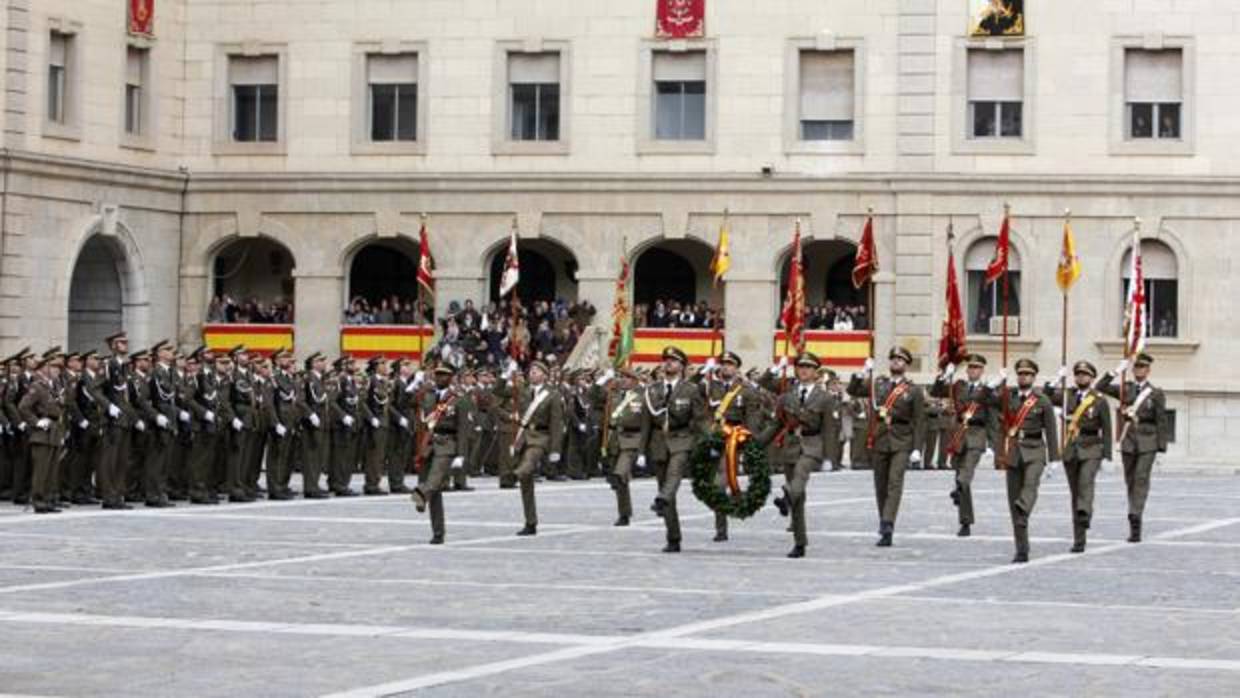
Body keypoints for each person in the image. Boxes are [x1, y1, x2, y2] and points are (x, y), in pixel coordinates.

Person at [847, 346, 926, 547]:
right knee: (880, 486)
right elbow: (852, 390)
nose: (896, 362)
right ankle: (885, 526)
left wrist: (917, 448)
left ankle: (888, 522)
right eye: (893, 359)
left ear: (906, 365)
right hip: (880, 438)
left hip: (902, 439)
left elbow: (919, 421)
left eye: (900, 360)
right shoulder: (877, 384)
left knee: (894, 482)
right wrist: (862, 372)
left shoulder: (913, 390)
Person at [1096, 352, 1168, 543]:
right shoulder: (1125, 389)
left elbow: (1161, 420)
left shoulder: (1155, 393)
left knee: (1141, 479)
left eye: (1142, 368)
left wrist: (1161, 447)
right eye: (1136, 367)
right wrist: (1115, 370)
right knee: (1130, 481)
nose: (1139, 371)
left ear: (1148, 370)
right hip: (1128, 440)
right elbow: (1099, 387)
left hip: (1148, 441)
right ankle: (1134, 513)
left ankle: (1135, 516)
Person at [994, 358, 1060, 563]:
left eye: (1028, 374)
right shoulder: (1008, 398)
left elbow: (1050, 429)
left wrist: (1054, 458)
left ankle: (1025, 506)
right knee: (1013, 502)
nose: (1024, 377)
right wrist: (997, 381)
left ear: (1033, 377)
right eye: (1021, 374)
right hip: (1014, 452)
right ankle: (1021, 548)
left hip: (1035, 451)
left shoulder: (1042, 401)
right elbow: (983, 399)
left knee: (1031, 485)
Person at [772, 352, 836, 558]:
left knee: (800, 474)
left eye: (808, 368)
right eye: (800, 367)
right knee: (798, 500)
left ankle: (786, 497)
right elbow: (776, 425)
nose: (804, 371)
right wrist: (754, 443)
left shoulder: (824, 398)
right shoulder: (786, 396)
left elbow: (829, 429)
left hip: (812, 445)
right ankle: (799, 542)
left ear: (816, 372)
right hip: (791, 445)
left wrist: (829, 457)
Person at [1044, 360, 1112, 552]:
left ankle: (1085, 512)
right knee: (1075, 495)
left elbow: (1107, 429)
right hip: (1071, 449)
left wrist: (1107, 456)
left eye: (1085, 375)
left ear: (1091, 378)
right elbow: (1044, 397)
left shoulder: (1099, 400)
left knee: (1085, 483)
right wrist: (1056, 379)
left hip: (1091, 448)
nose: (1081, 377)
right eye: (1078, 374)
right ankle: (1079, 539)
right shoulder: (1067, 396)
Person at [700, 351, 765, 544]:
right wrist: (703, 371)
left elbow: (752, 419)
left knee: (720, 484)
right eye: (723, 364)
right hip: (715, 438)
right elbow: (691, 392)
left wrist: (749, 445)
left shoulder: (746, 390)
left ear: (736, 368)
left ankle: (723, 525)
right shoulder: (711, 387)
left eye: (730, 364)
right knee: (717, 485)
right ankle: (723, 524)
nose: (726, 367)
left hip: (734, 440)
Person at [645, 347, 705, 553]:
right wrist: (641, 451)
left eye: (673, 360)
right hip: (659, 442)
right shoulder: (652, 389)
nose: (668, 363)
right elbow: (647, 422)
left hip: (682, 439)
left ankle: (662, 499)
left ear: (682, 366)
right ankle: (673, 537)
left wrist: (708, 443)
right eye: (666, 360)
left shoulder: (691, 389)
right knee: (665, 488)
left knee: (674, 473)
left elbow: (700, 419)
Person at [932, 353, 999, 537]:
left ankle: (959, 488)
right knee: (961, 479)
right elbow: (936, 392)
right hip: (959, 434)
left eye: (976, 368)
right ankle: (965, 521)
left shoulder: (989, 390)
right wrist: (944, 375)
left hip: (977, 435)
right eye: (970, 367)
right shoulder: (959, 386)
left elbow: (994, 416)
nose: (972, 371)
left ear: (982, 371)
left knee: (966, 472)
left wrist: (994, 445)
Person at [494, 359, 564, 536]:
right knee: (527, 484)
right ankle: (530, 522)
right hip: (523, 436)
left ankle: (513, 475)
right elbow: (498, 391)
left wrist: (555, 449)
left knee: (529, 461)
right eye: (531, 370)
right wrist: (505, 374)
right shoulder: (522, 391)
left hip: (540, 437)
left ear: (545, 376)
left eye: (537, 371)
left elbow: (556, 423)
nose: (532, 373)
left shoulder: (553, 395)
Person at [411, 365, 468, 544]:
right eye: (437, 375)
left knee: (434, 481)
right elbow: (415, 406)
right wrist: (416, 385)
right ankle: (438, 532)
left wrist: (461, 454)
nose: (439, 378)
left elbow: (463, 428)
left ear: (451, 378)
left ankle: (419, 495)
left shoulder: (458, 399)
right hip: (429, 444)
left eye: (444, 375)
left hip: (447, 444)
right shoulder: (428, 395)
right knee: (435, 493)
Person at [18, 351, 65, 513]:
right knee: (41, 470)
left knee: (51, 470)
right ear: (44, 368)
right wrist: (36, 422)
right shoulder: (36, 386)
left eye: (57, 367)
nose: (56, 370)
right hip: (42, 434)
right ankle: (38, 500)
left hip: (53, 432)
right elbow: (23, 407)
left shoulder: (53, 386)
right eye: (53, 367)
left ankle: (47, 499)